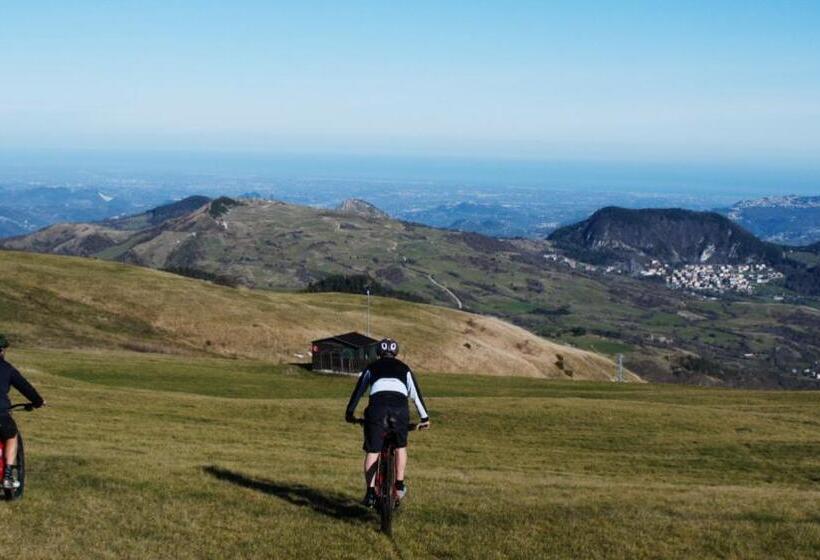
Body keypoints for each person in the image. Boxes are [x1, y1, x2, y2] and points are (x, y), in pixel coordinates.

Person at [345, 338, 430, 507]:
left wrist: (350, 413)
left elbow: (358, 391)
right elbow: (416, 396)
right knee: (400, 446)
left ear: (379, 352)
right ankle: (398, 484)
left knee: (373, 451)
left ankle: (370, 493)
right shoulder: (404, 368)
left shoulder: (371, 367)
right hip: (399, 409)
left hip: (377, 409)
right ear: (395, 353)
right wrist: (424, 418)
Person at [0, 334, 45, 489]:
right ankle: (7, 476)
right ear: (2, 351)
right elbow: (25, 387)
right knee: (11, 436)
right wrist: (38, 402)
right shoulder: (7, 369)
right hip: (1, 414)